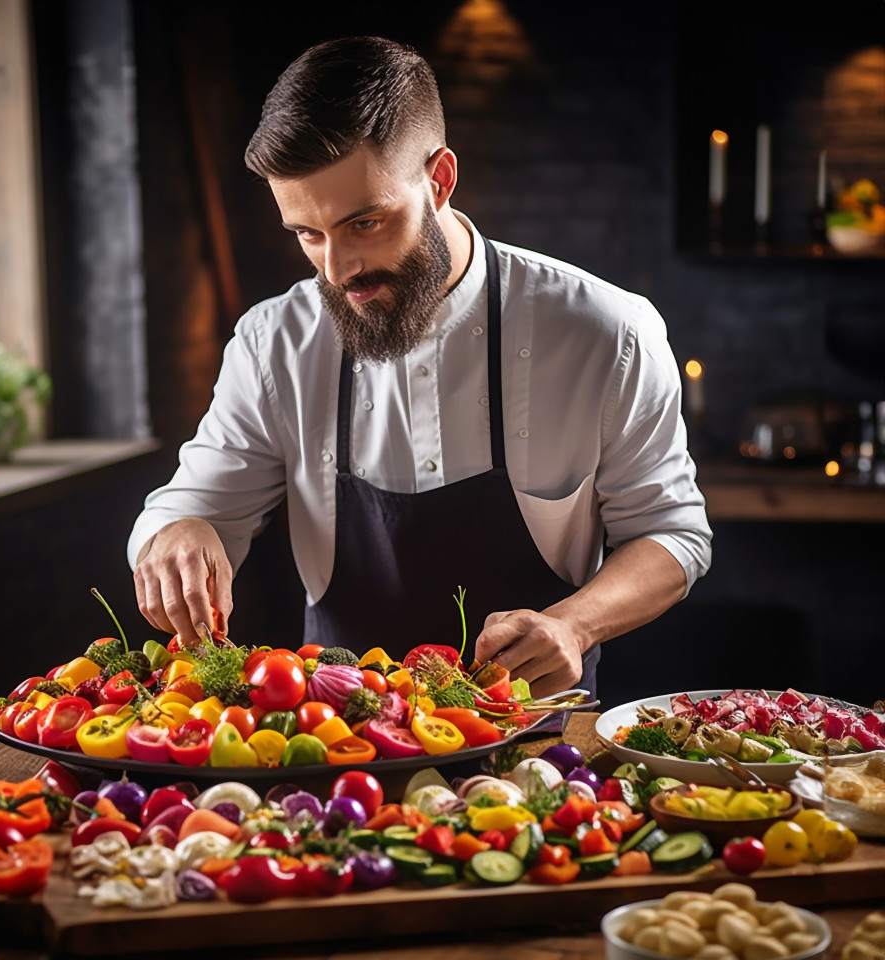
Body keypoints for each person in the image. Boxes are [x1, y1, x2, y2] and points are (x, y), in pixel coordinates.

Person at [128, 36, 711, 700]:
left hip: (540, 741)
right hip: (337, 749)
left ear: (439, 181)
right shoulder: (273, 342)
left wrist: (574, 626)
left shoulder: (606, 331)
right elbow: (195, 506)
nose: (336, 270)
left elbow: (671, 533)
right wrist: (180, 530)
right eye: (308, 235)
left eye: (365, 223)